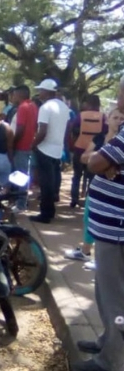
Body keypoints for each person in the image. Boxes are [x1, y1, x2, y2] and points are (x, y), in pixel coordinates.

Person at [71, 78, 124, 371]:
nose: (117, 101)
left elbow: (92, 163)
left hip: (116, 230)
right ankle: (109, 340)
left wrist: (103, 157)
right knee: (106, 292)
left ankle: (110, 361)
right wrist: (105, 159)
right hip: (110, 228)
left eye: (120, 95)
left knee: (115, 297)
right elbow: (99, 161)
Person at [64, 108, 124, 267]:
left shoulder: (121, 140)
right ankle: (86, 251)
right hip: (97, 188)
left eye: (121, 118)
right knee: (89, 218)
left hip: (115, 198)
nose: (118, 120)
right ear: (107, 120)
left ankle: (94, 256)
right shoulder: (99, 139)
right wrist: (107, 161)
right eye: (115, 117)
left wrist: (109, 161)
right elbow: (84, 157)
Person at [29, 78, 70, 224]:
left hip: (45, 148)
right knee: (51, 182)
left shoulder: (45, 108)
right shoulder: (64, 107)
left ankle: (45, 214)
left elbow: (42, 131)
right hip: (57, 148)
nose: (39, 93)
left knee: (45, 183)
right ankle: (50, 211)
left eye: (41, 90)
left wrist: (33, 144)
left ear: (47, 91)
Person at [70, 95, 107, 208]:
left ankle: (74, 199)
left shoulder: (81, 115)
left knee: (77, 175)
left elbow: (73, 129)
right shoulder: (103, 117)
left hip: (80, 148)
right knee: (91, 176)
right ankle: (88, 200)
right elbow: (105, 132)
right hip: (94, 152)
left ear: (88, 103)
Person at [10, 85, 38, 212]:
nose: (13, 97)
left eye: (15, 95)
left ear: (20, 95)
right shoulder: (33, 106)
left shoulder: (22, 107)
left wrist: (13, 143)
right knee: (26, 174)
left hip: (21, 146)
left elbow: (20, 129)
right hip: (30, 145)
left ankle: (21, 204)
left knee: (20, 175)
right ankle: (21, 201)